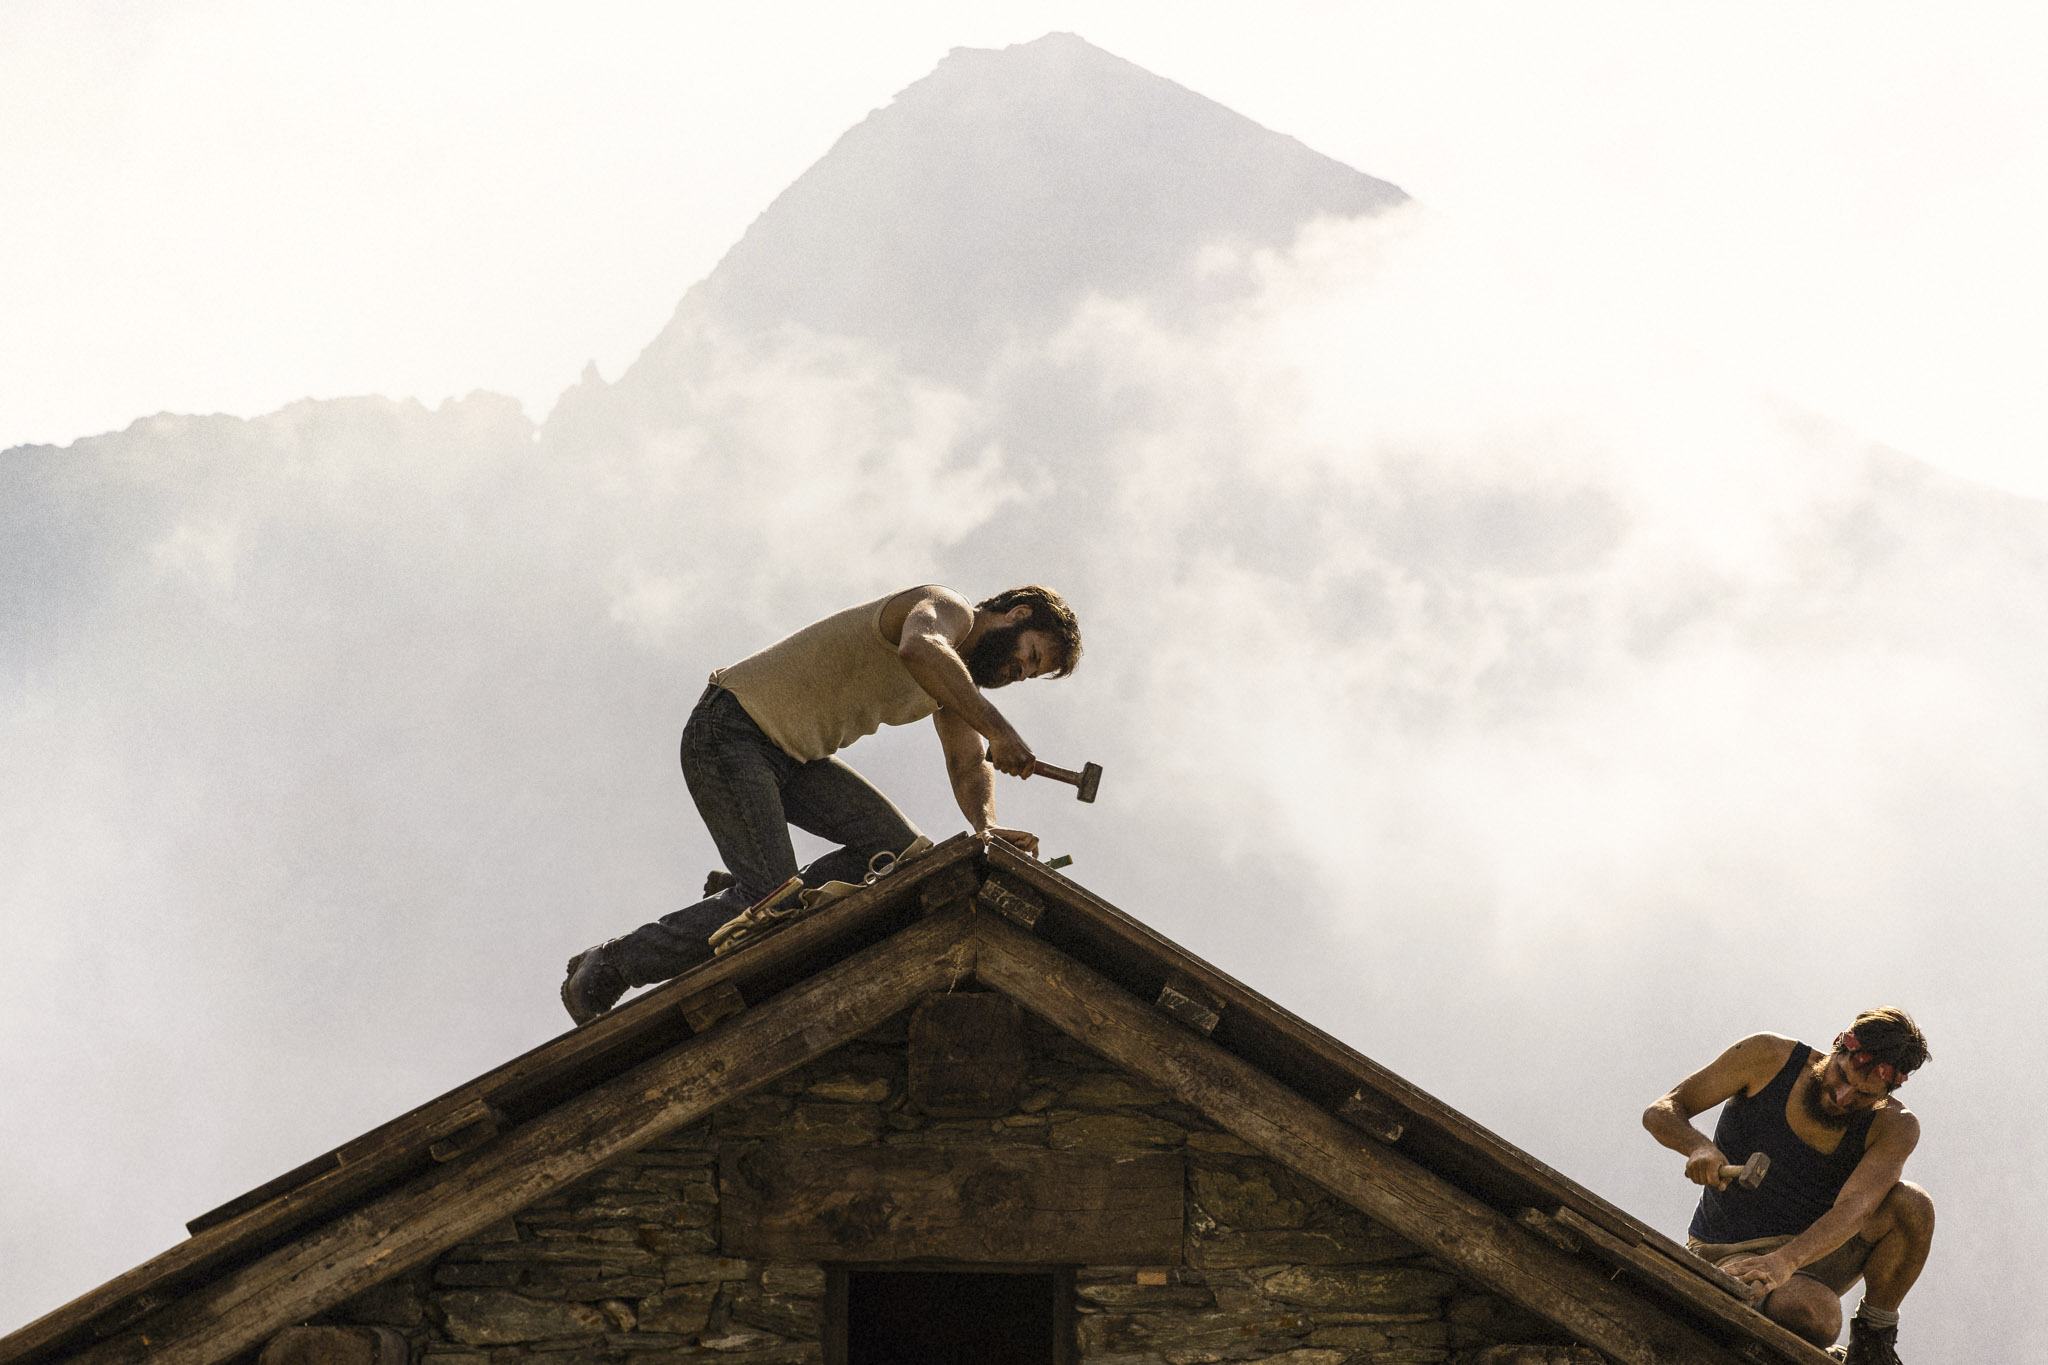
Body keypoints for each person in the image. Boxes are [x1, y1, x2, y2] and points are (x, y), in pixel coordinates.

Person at [560, 583, 1082, 1024]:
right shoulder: (947, 609)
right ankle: (614, 963)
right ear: (1017, 614)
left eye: (1029, 674)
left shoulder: (953, 688)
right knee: (772, 902)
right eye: (1030, 655)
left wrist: (987, 829)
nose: (1020, 672)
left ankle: (753, 892)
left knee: (898, 854)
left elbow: (969, 766)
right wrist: (1000, 729)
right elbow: (918, 647)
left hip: (790, 759)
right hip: (730, 729)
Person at [1642, 1008, 1934, 1365]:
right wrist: (1698, 1147)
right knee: (1818, 1316)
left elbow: (1855, 1209)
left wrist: (1785, 1261)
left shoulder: (1894, 1126)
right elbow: (1662, 1110)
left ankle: (1872, 1342)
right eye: (1841, 1075)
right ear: (1839, 1045)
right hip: (1731, 1250)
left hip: (1811, 1251)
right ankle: (1742, 1290)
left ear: (1887, 1090)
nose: (1843, 1097)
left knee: (1913, 1206)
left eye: (1862, 1095)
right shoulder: (1767, 1057)